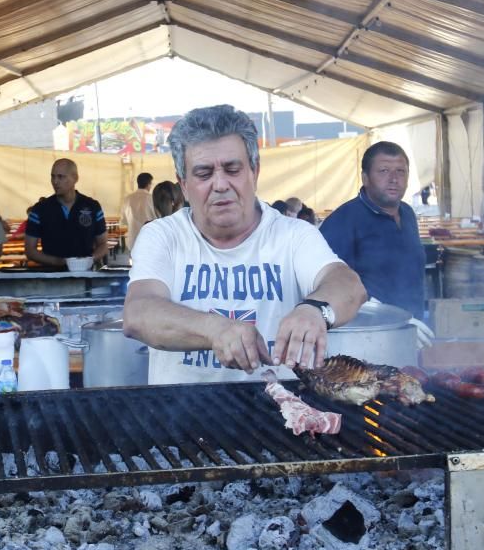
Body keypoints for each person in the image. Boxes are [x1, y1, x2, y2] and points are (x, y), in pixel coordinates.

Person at [123, 104, 366, 384]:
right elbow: (138, 313)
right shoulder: (163, 235)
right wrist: (214, 330)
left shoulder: (293, 235)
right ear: (184, 185)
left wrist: (315, 310)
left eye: (232, 169)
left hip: (284, 415)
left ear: (254, 172)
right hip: (181, 416)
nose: (221, 184)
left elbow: (349, 285)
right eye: (203, 173)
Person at [320, 141, 425, 319]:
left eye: (401, 171)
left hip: (414, 326)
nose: (393, 178)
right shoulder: (343, 221)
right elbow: (328, 284)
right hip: (368, 331)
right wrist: (383, 312)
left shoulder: (407, 213)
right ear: (365, 178)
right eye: (383, 171)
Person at [25, 158, 108, 267]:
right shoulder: (40, 209)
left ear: (75, 178)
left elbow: (103, 244)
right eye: (52, 176)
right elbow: (30, 250)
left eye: (61, 177)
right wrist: (59, 262)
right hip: (52, 276)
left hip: (86, 274)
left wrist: (87, 261)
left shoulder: (92, 206)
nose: (55, 182)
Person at [119, 172, 157, 248]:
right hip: (149, 240)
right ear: (148, 184)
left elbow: (124, 221)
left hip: (133, 240)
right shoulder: (152, 199)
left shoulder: (127, 199)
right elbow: (157, 219)